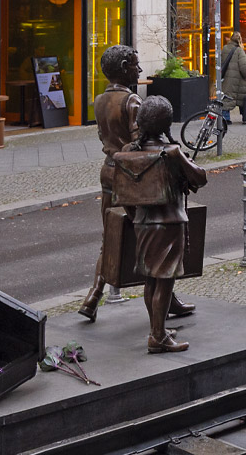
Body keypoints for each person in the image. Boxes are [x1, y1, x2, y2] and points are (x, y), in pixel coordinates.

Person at [80, 46, 195, 323]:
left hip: (109, 170)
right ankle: (164, 302)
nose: (139, 70)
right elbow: (140, 142)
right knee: (152, 239)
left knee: (110, 235)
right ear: (123, 67)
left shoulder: (100, 100)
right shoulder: (131, 101)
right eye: (135, 65)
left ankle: (94, 296)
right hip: (133, 176)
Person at [115, 96, 208, 353]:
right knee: (165, 281)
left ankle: (157, 329)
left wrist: (136, 218)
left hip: (142, 223)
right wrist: (179, 156)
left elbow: (122, 194)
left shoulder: (129, 152)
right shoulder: (171, 153)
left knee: (151, 279)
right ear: (166, 124)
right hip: (169, 223)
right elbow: (200, 178)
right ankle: (158, 336)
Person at [217, 33, 246, 115]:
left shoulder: (225, 48)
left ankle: (225, 118)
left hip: (226, 80)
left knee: (227, 100)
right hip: (237, 81)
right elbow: (245, 68)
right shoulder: (239, 50)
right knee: (241, 99)